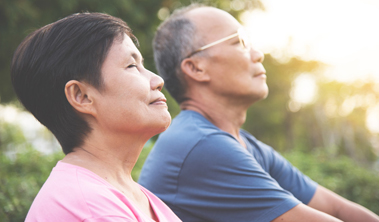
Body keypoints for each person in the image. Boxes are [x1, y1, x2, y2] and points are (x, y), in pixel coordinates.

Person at [138, 4, 379, 222]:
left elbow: (336, 209)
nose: (257, 54)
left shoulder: (244, 144)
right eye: (238, 42)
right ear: (196, 68)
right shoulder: (201, 146)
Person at [11, 12, 181, 222]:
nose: (157, 80)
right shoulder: (90, 208)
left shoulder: (127, 194)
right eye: (131, 66)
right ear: (81, 96)